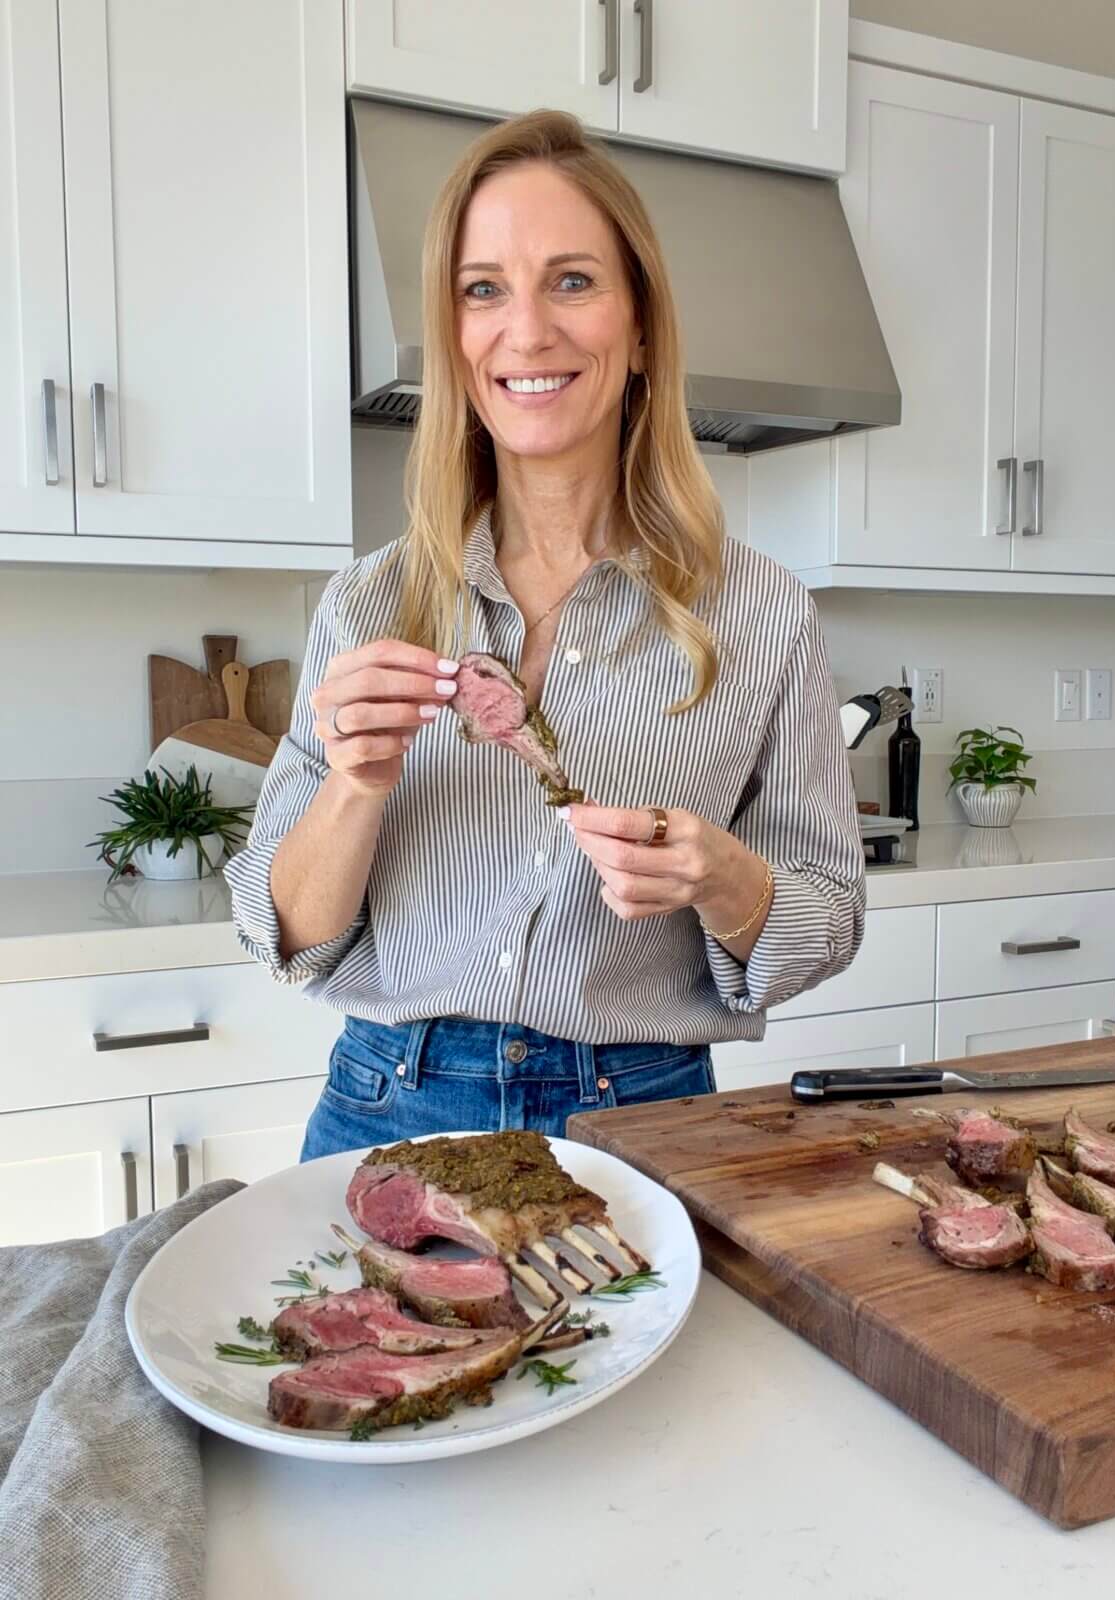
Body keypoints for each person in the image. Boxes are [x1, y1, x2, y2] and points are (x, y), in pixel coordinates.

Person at [225, 109, 865, 1160]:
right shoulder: (366, 603)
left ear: (643, 323)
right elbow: (286, 933)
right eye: (484, 289)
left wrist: (721, 875)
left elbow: (826, 920)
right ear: (455, 331)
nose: (526, 331)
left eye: (572, 280)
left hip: (651, 1115)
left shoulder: (764, 613)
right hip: (392, 1105)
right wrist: (353, 785)